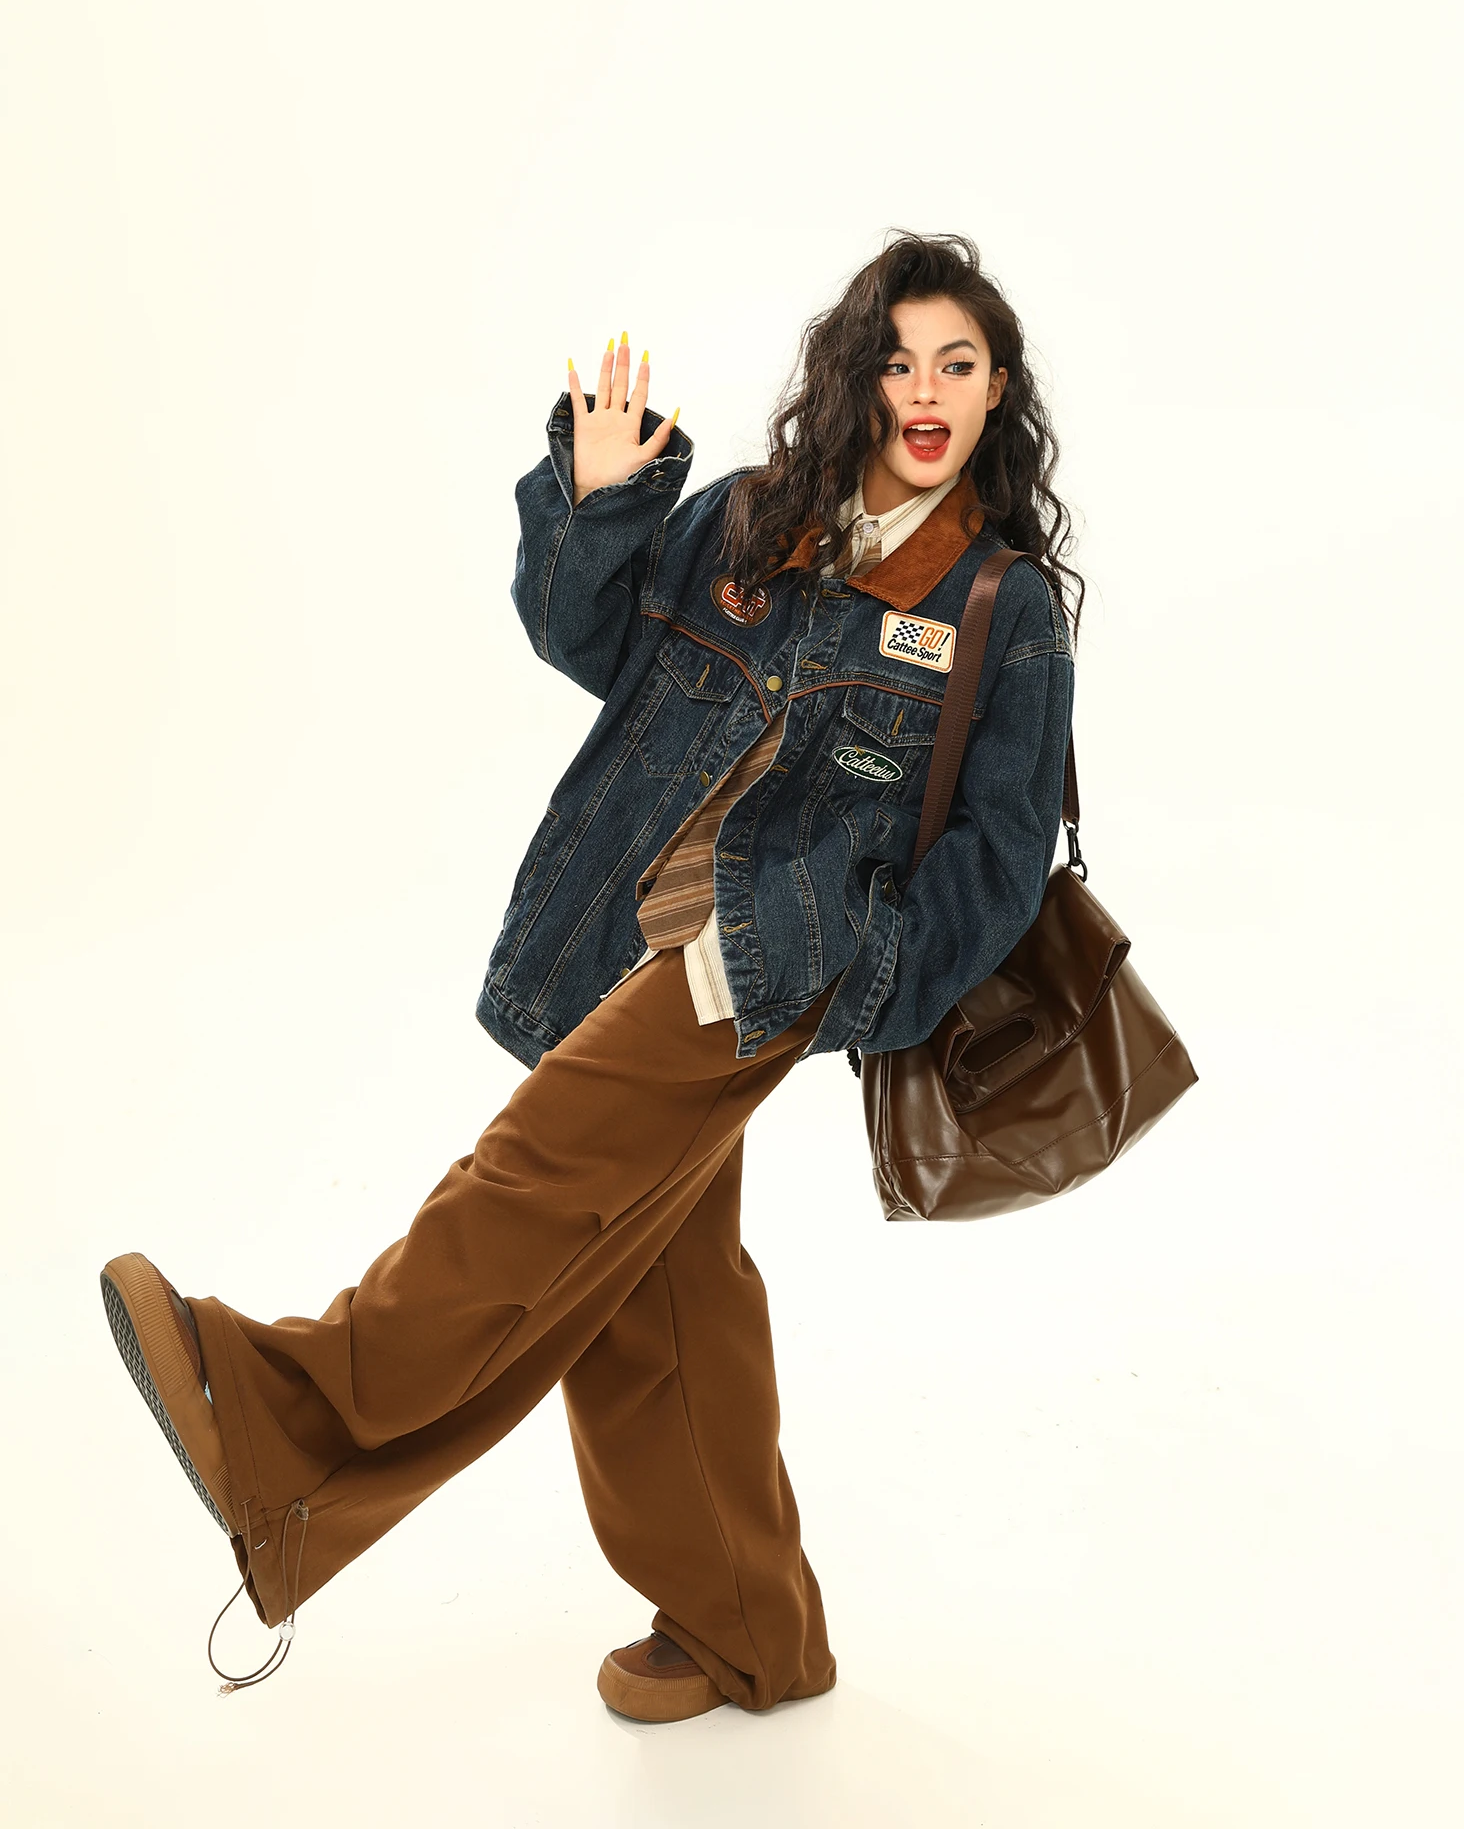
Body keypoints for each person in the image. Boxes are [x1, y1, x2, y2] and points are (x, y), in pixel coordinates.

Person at [100, 229, 1081, 1720]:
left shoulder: (1001, 610)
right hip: (629, 926)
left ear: (997, 388)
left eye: (959, 363)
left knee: (537, 1176)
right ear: (859, 378)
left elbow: (1001, 862)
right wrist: (606, 496)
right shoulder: (754, 517)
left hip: (774, 955)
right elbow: (588, 640)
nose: (927, 390)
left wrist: (864, 969)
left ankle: (283, 1415)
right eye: (899, 361)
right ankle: (751, 1629)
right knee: (652, 1296)